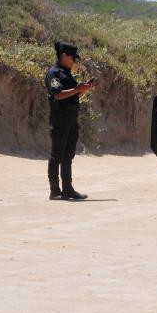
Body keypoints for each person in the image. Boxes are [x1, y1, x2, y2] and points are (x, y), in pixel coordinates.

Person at [44, 41, 96, 200]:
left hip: (71, 118)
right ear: (64, 55)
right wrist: (77, 89)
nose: (74, 61)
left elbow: (73, 95)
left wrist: (84, 90)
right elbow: (57, 94)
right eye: (73, 57)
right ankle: (55, 190)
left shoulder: (66, 73)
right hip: (60, 118)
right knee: (57, 154)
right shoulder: (54, 73)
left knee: (68, 155)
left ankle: (68, 189)